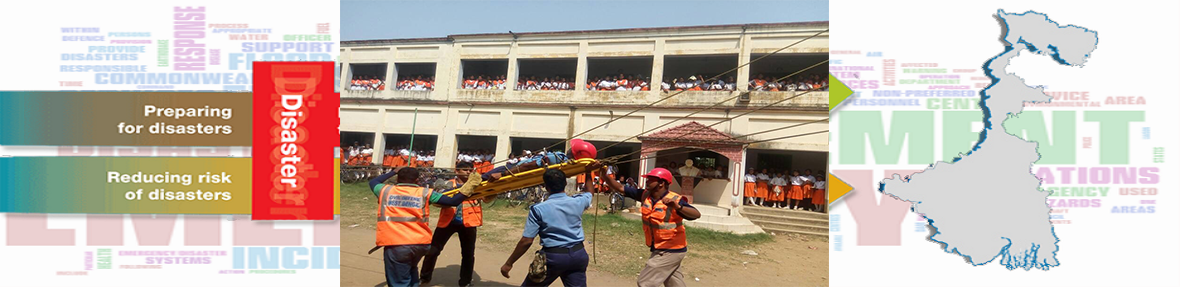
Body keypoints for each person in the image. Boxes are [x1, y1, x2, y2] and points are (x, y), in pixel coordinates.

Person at [369, 166, 481, 287]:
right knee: (412, 274)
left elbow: (373, 182)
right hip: (419, 244)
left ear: (397, 180)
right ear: (417, 181)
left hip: (396, 245)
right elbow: (452, 202)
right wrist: (470, 185)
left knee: (399, 282)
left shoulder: (385, 190)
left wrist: (392, 172)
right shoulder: (426, 193)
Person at [601, 167, 701, 287]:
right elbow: (620, 188)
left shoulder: (674, 200)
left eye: (650, 180)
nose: (647, 182)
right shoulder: (645, 195)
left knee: (645, 282)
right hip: (659, 247)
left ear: (661, 183)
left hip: (671, 249)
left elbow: (696, 214)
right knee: (674, 283)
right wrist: (604, 175)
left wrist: (678, 207)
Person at [500, 168, 596, 286]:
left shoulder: (538, 209)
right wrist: (588, 172)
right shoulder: (578, 202)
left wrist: (509, 263)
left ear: (545, 186)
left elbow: (526, 241)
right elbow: (589, 193)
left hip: (553, 258)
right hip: (578, 255)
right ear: (565, 183)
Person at [420, 162, 483, 287]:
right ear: (457, 171)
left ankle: (465, 282)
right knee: (433, 251)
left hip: (469, 222)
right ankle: (425, 279)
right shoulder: (446, 184)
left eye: (470, 170)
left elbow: (488, 198)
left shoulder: (478, 184)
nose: (468, 172)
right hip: (447, 221)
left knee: (468, 254)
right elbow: (438, 199)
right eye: (465, 170)